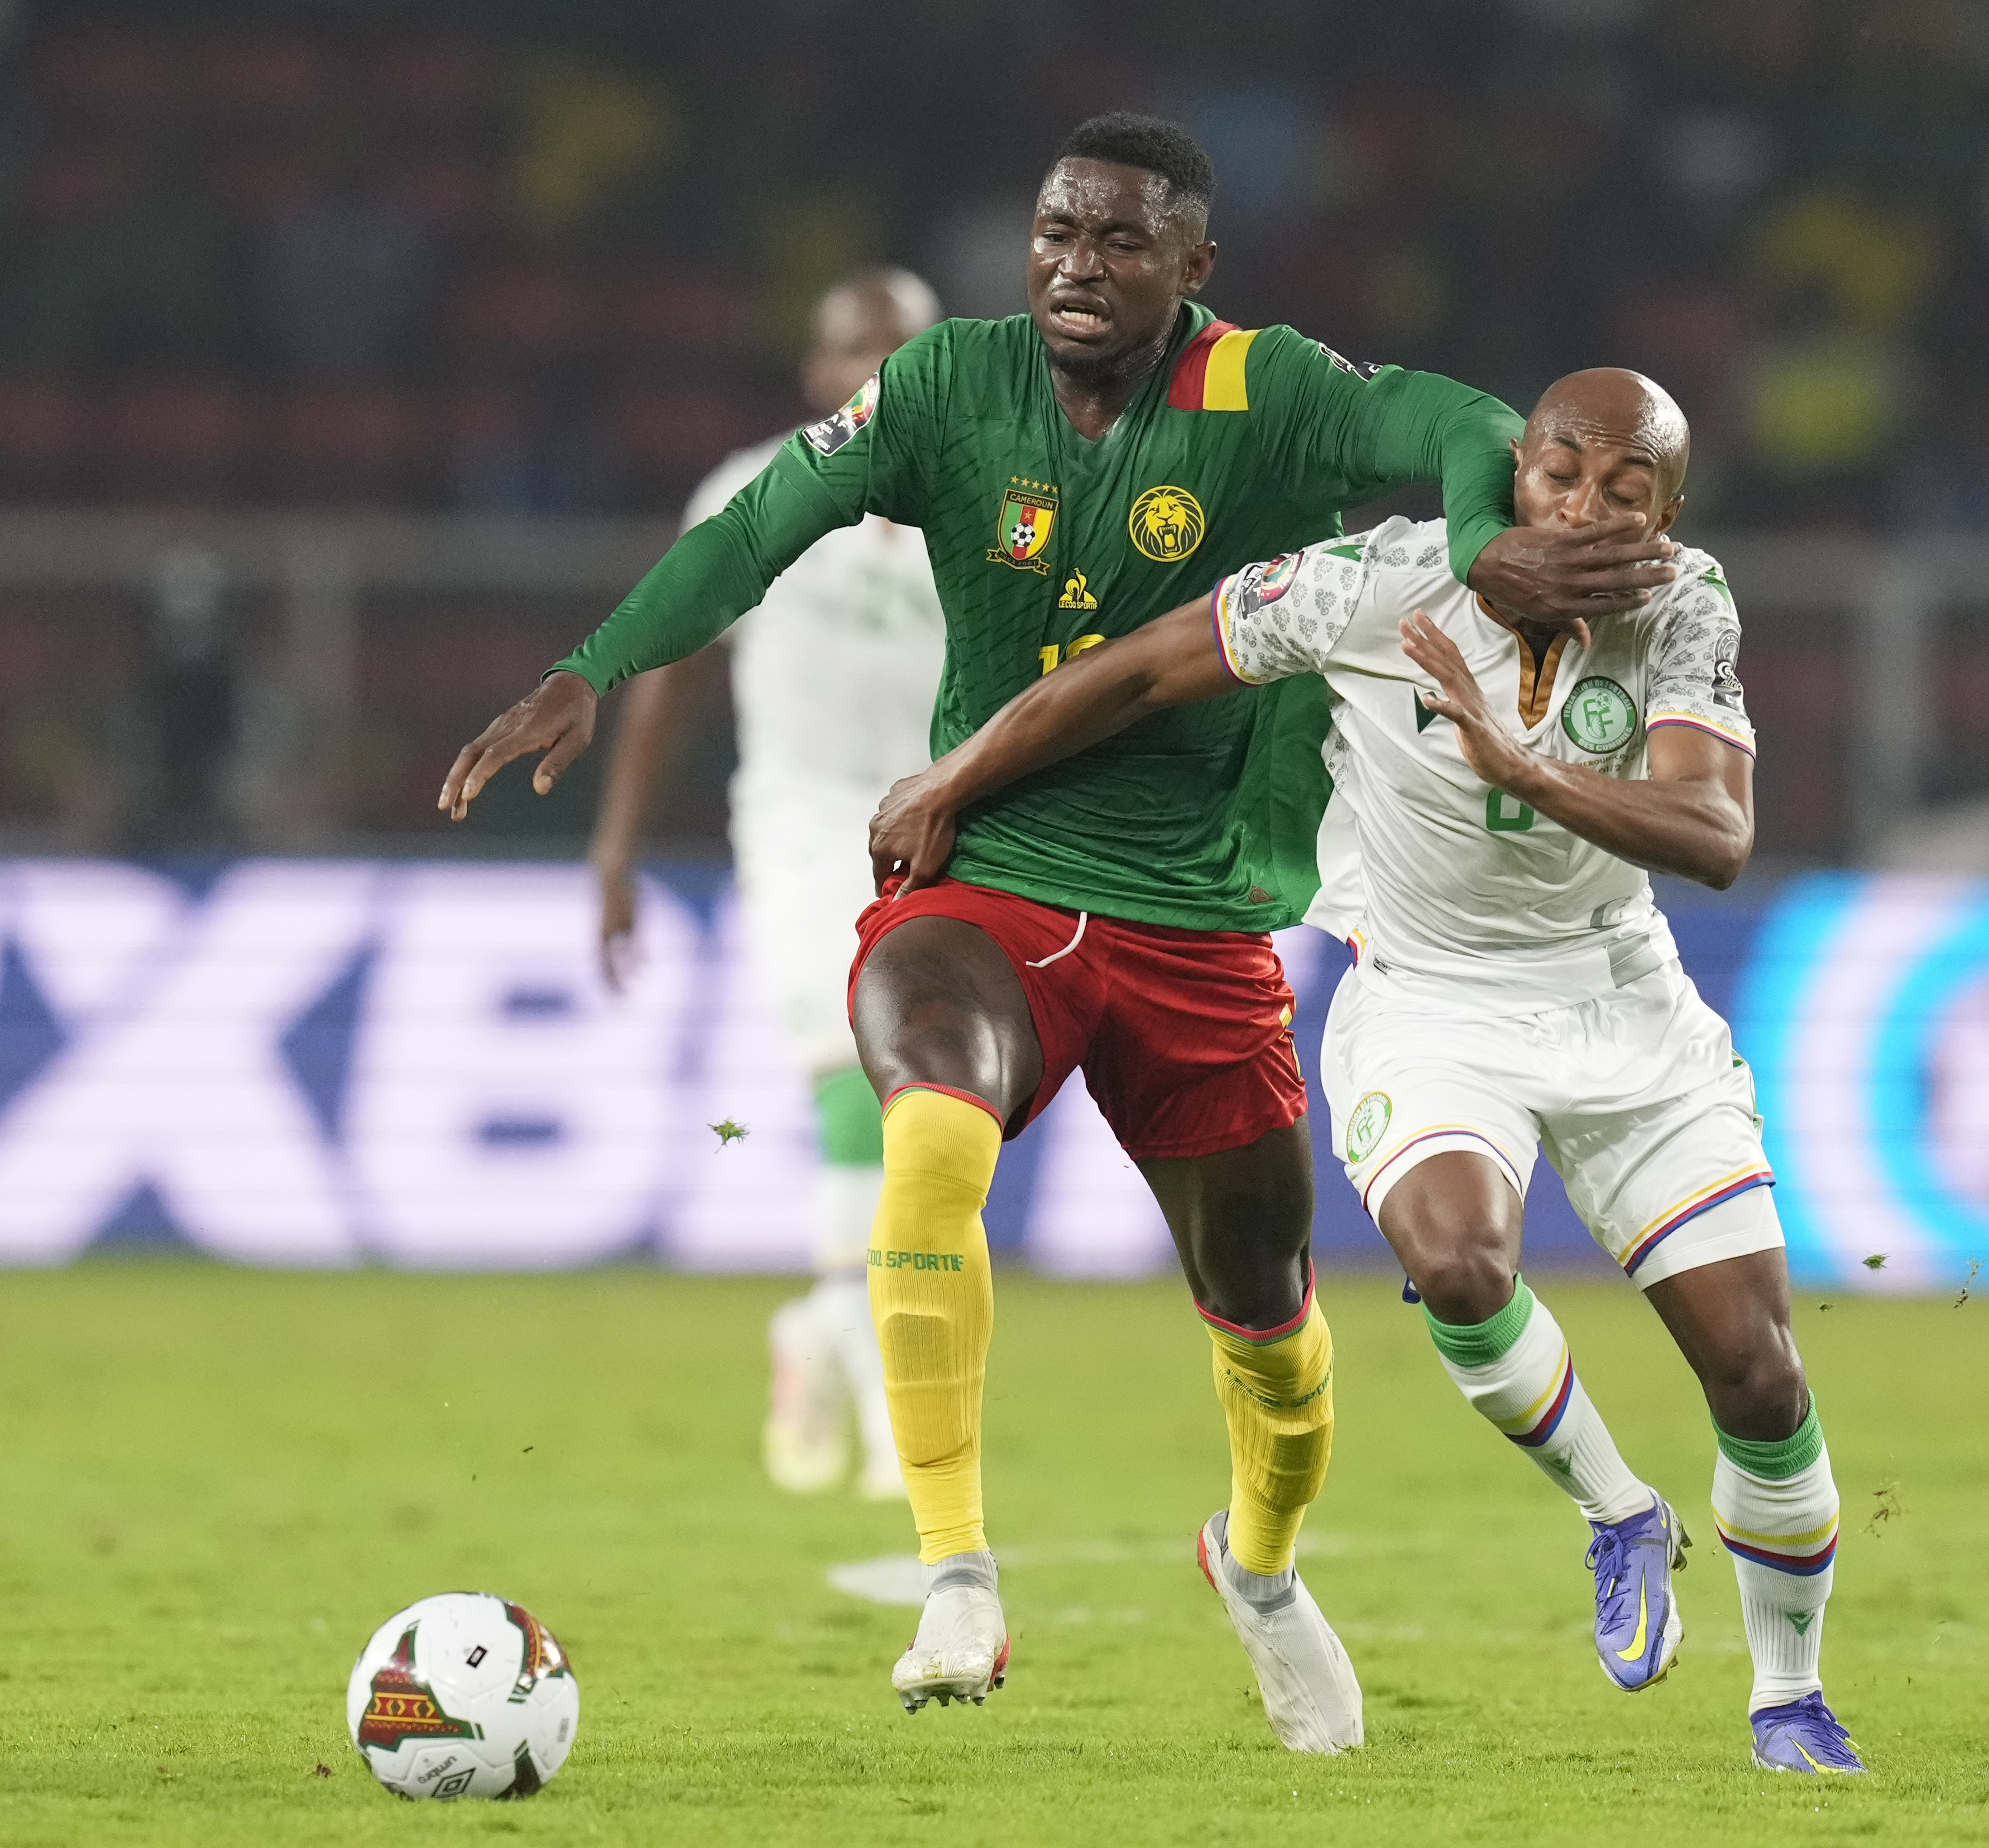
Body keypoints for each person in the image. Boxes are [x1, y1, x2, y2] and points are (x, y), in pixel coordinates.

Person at [437, 112, 1675, 1750]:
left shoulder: (1262, 389)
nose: (1075, 268)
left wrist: (1480, 549)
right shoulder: (951, 383)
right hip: (986, 865)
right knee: (925, 1130)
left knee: (1269, 1323)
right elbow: (750, 534)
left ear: (1192, 266)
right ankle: (953, 1566)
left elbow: (1458, 417)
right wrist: (587, 671)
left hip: (1196, 912)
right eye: (1053, 234)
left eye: (1117, 242)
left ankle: (1258, 1571)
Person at [868, 369, 1863, 1776]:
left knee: (1758, 1375)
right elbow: (1146, 665)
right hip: (1427, 1003)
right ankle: (1617, 1511)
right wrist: (956, 773)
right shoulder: (1375, 586)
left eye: (1624, 493)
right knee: (1457, 1264)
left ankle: (1788, 1697)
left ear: (1666, 515)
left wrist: (1519, 772)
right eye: (1562, 475)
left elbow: (1711, 833)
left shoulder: (1684, 604)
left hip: (1620, 1005)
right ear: (1512, 474)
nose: (1586, 510)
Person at [588, 269, 945, 1502]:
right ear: (815, 372)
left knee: (931, 1110)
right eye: (855, 348)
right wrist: (617, 847)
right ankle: (870, 1350)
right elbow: (672, 671)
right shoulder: (752, 495)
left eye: (902, 348)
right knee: (861, 1080)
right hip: (798, 826)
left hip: (943, 827)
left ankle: (823, 1324)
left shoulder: (996, 508)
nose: (878, 369)